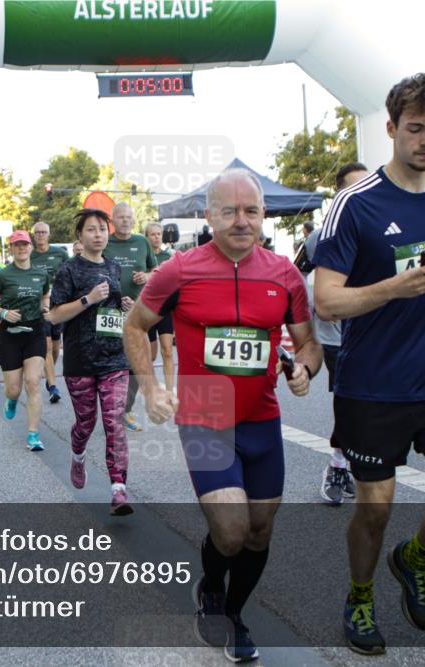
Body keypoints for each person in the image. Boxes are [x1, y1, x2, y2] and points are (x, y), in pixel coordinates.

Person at [313, 73, 425, 655]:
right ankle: (360, 597)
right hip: (371, 386)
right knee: (375, 509)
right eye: (415, 129)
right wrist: (393, 289)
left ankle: (413, 560)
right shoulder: (353, 205)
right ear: (390, 128)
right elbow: (327, 300)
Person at [125, 168, 322, 663]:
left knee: (260, 530)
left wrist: (304, 370)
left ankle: (232, 612)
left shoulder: (284, 272)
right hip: (205, 416)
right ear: (208, 215)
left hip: (261, 420)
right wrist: (150, 388)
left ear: (262, 216)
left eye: (251, 211)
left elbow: (310, 346)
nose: (241, 220)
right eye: (229, 211)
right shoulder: (179, 270)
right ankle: (212, 589)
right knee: (231, 530)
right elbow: (134, 326)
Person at [47, 209, 133, 514]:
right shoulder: (69, 271)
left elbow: (113, 313)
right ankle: (79, 454)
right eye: (91, 230)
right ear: (80, 236)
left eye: (102, 229)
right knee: (87, 422)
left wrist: (127, 308)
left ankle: (118, 490)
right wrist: (88, 299)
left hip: (114, 358)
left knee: (114, 423)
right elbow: (54, 315)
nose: (98, 234)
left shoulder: (114, 266)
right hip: (80, 359)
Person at [303, 161, 368, 505]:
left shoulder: (381, 227)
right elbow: (296, 276)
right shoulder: (319, 237)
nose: (362, 193)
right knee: (349, 401)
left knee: (369, 404)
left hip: (375, 332)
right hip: (334, 336)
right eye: (354, 187)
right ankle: (338, 464)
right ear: (340, 193)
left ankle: (349, 460)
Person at [0, 230, 50, 451]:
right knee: (14, 389)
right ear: (11, 249)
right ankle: (11, 399)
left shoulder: (41, 273)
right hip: (10, 335)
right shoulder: (3, 275)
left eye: (25, 244)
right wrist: (3, 313)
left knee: (33, 382)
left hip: (34, 332)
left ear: (31, 247)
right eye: (17, 245)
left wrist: (45, 305)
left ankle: (33, 435)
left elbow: (45, 294)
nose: (21, 248)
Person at [105, 202, 157, 432]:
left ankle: (126, 408)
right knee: (111, 361)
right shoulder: (105, 242)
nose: (125, 221)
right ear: (113, 220)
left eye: (129, 217)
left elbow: (156, 270)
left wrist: (145, 276)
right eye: (121, 217)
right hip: (109, 311)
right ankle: (110, 406)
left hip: (137, 311)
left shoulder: (142, 242)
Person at [30, 222, 70, 403]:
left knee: (55, 347)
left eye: (43, 232)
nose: (40, 235)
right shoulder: (29, 255)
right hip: (40, 306)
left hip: (59, 304)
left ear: (49, 234)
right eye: (37, 232)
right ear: (33, 235)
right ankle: (53, 386)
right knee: (45, 346)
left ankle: (49, 373)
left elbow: (70, 274)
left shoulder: (60, 253)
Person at [144, 221, 175, 395]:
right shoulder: (142, 257)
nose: (156, 237)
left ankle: (170, 391)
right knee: (152, 356)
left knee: (168, 351)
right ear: (147, 237)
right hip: (148, 311)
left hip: (165, 310)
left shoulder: (169, 256)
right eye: (153, 234)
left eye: (159, 234)